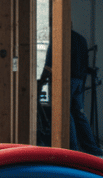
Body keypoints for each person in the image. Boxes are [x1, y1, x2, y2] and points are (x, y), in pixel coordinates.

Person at [39, 27, 102, 155]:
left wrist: (40, 82)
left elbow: (49, 63)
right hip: (79, 81)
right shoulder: (81, 39)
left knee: (65, 113)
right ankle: (93, 149)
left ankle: (73, 150)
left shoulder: (59, 38)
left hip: (67, 81)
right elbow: (85, 63)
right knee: (79, 114)